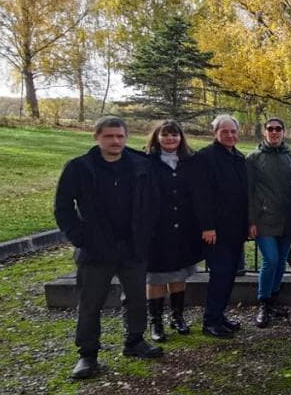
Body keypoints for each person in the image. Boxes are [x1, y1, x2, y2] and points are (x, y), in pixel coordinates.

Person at [54, 116, 163, 380]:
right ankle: (87, 355)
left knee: (136, 298)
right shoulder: (79, 168)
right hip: (96, 248)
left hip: (132, 246)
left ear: (126, 137)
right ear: (97, 137)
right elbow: (63, 207)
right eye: (109, 136)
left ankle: (134, 341)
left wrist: (146, 234)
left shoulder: (141, 165)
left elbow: (152, 201)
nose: (115, 141)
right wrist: (80, 237)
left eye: (120, 136)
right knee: (91, 303)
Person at [144, 120, 202, 342]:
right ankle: (155, 321)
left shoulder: (189, 161)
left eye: (175, 135)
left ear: (181, 138)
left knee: (179, 274)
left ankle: (177, 317)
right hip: (157, 229)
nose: (170, 139)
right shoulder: (148, 162)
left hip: (183, 227)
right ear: (157, 137)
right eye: (166, 135)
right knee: (156, 277)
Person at [193, 114, 249, 339]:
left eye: (233, 131)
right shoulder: (205, 157)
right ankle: (210, 321)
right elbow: (201, 196)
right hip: (216, 230)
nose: (230, 135)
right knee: (220, 274)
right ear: (215, 133)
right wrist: (207, 226)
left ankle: (219, 316)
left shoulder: (238, 158)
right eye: (224, 131)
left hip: (236, 228)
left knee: (229, 275)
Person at [246, 117, 291, 328]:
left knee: (282, 260)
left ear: (284, 132)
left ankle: (274, 300)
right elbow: (248, 192)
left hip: (286, 220)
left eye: (278, 129)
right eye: (270, 129)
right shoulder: (254, 158)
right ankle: (263, 302)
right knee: (271, 261)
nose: (274, 132)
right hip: (265, 219)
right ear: (264, 132)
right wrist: (251, 221)